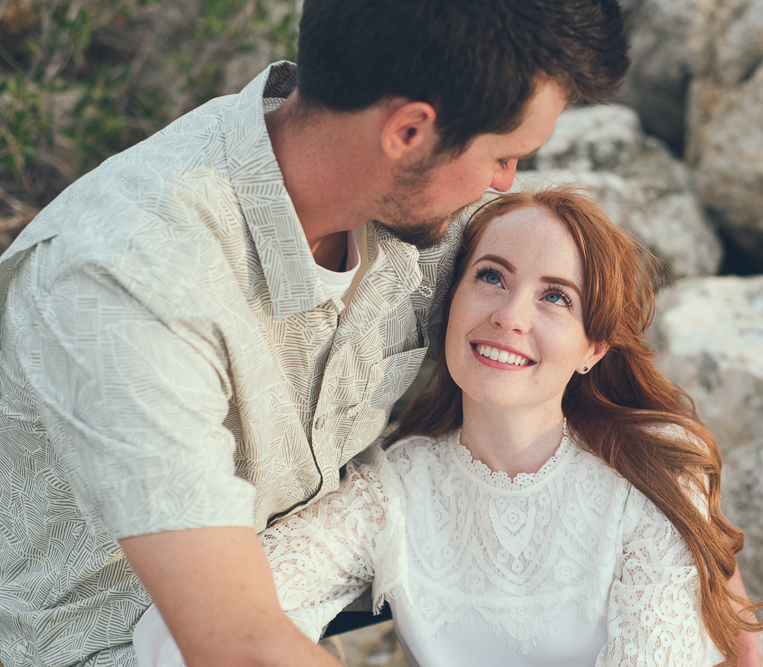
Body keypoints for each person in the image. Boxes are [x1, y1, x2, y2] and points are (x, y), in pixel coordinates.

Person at [0, 2, 630, 665]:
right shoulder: (127, 279)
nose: (506, 183)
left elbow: (567, 345)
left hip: (307, 589)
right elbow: (237, 646)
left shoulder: (411, 207)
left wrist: (690, 536)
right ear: (410, 130)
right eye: (504, 156)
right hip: (108, 647)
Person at [133, 187, 763, 667]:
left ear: (593, 349)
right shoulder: (393, 492)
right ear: (451, 301)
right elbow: (204, 617)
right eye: (491, 276)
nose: (510, 316)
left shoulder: (654, 473)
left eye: (556, 296)